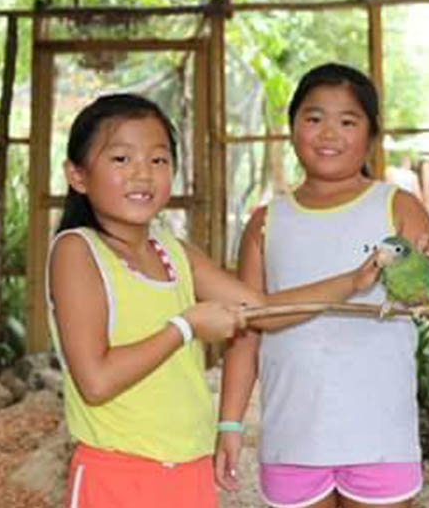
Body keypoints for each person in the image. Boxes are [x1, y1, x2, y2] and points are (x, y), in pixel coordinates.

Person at [46, 93, 381, 508]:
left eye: (158, 160)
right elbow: (96, 382)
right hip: (117, 475)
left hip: (190, 471)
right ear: (77, 176)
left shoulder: (174, 252)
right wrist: (185, 327)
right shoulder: (77, 251)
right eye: (121, 160)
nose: (143, 175)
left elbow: (263, 310)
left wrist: (352, 281)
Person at [217, 62, 429, 508]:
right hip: (293, 431)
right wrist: (230, 424)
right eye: (314, 118)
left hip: (379, 431)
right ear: (291, 129)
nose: (329, 133)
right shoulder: (266, 223)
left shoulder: (397, 206)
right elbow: (246, 330)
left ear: (371, 136)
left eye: (347, 121)